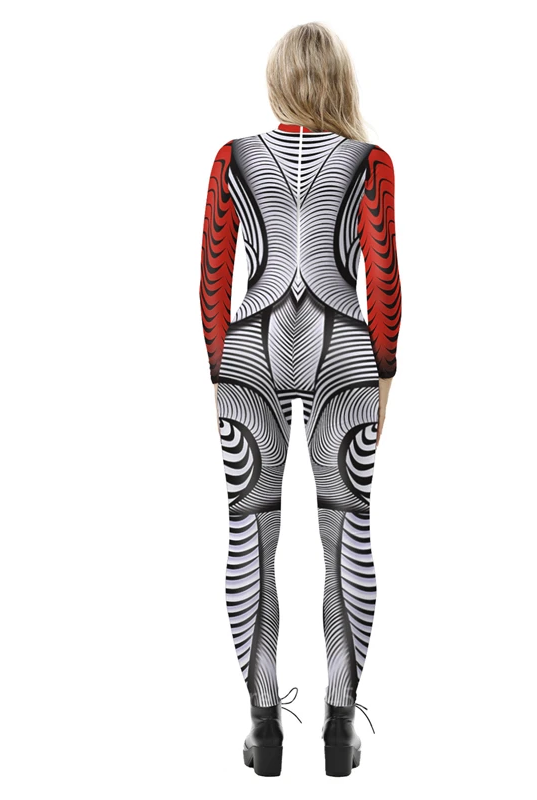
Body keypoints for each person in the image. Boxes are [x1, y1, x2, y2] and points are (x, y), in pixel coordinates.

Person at [198, 21, 402, 777]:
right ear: (339, 79)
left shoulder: (232, 159)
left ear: (278, 79)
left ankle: (264, 728)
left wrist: (218, 371)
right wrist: (385, 372)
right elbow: (382, 274)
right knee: (347, 531)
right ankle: (340, 727)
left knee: (250, 531)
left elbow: (213, 276)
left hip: (251, 344)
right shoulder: (369, 163)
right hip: (343, 343)